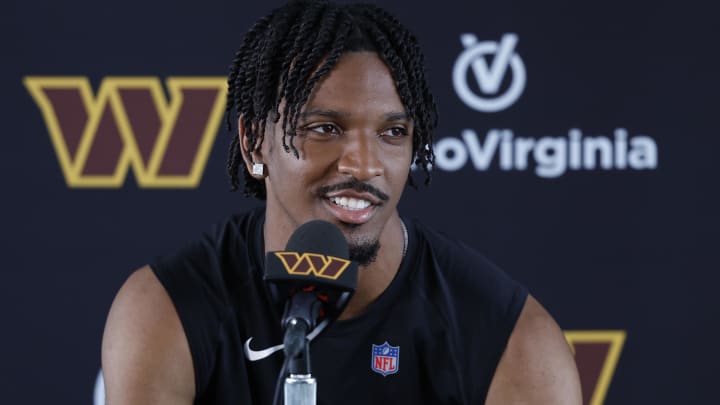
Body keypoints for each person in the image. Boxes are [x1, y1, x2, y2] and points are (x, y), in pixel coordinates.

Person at [101, 1, 582, 404]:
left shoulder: (513, 343)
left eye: (392, 133)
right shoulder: (167, 311)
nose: (363, 165)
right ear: (253, 143)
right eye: (325, 129)